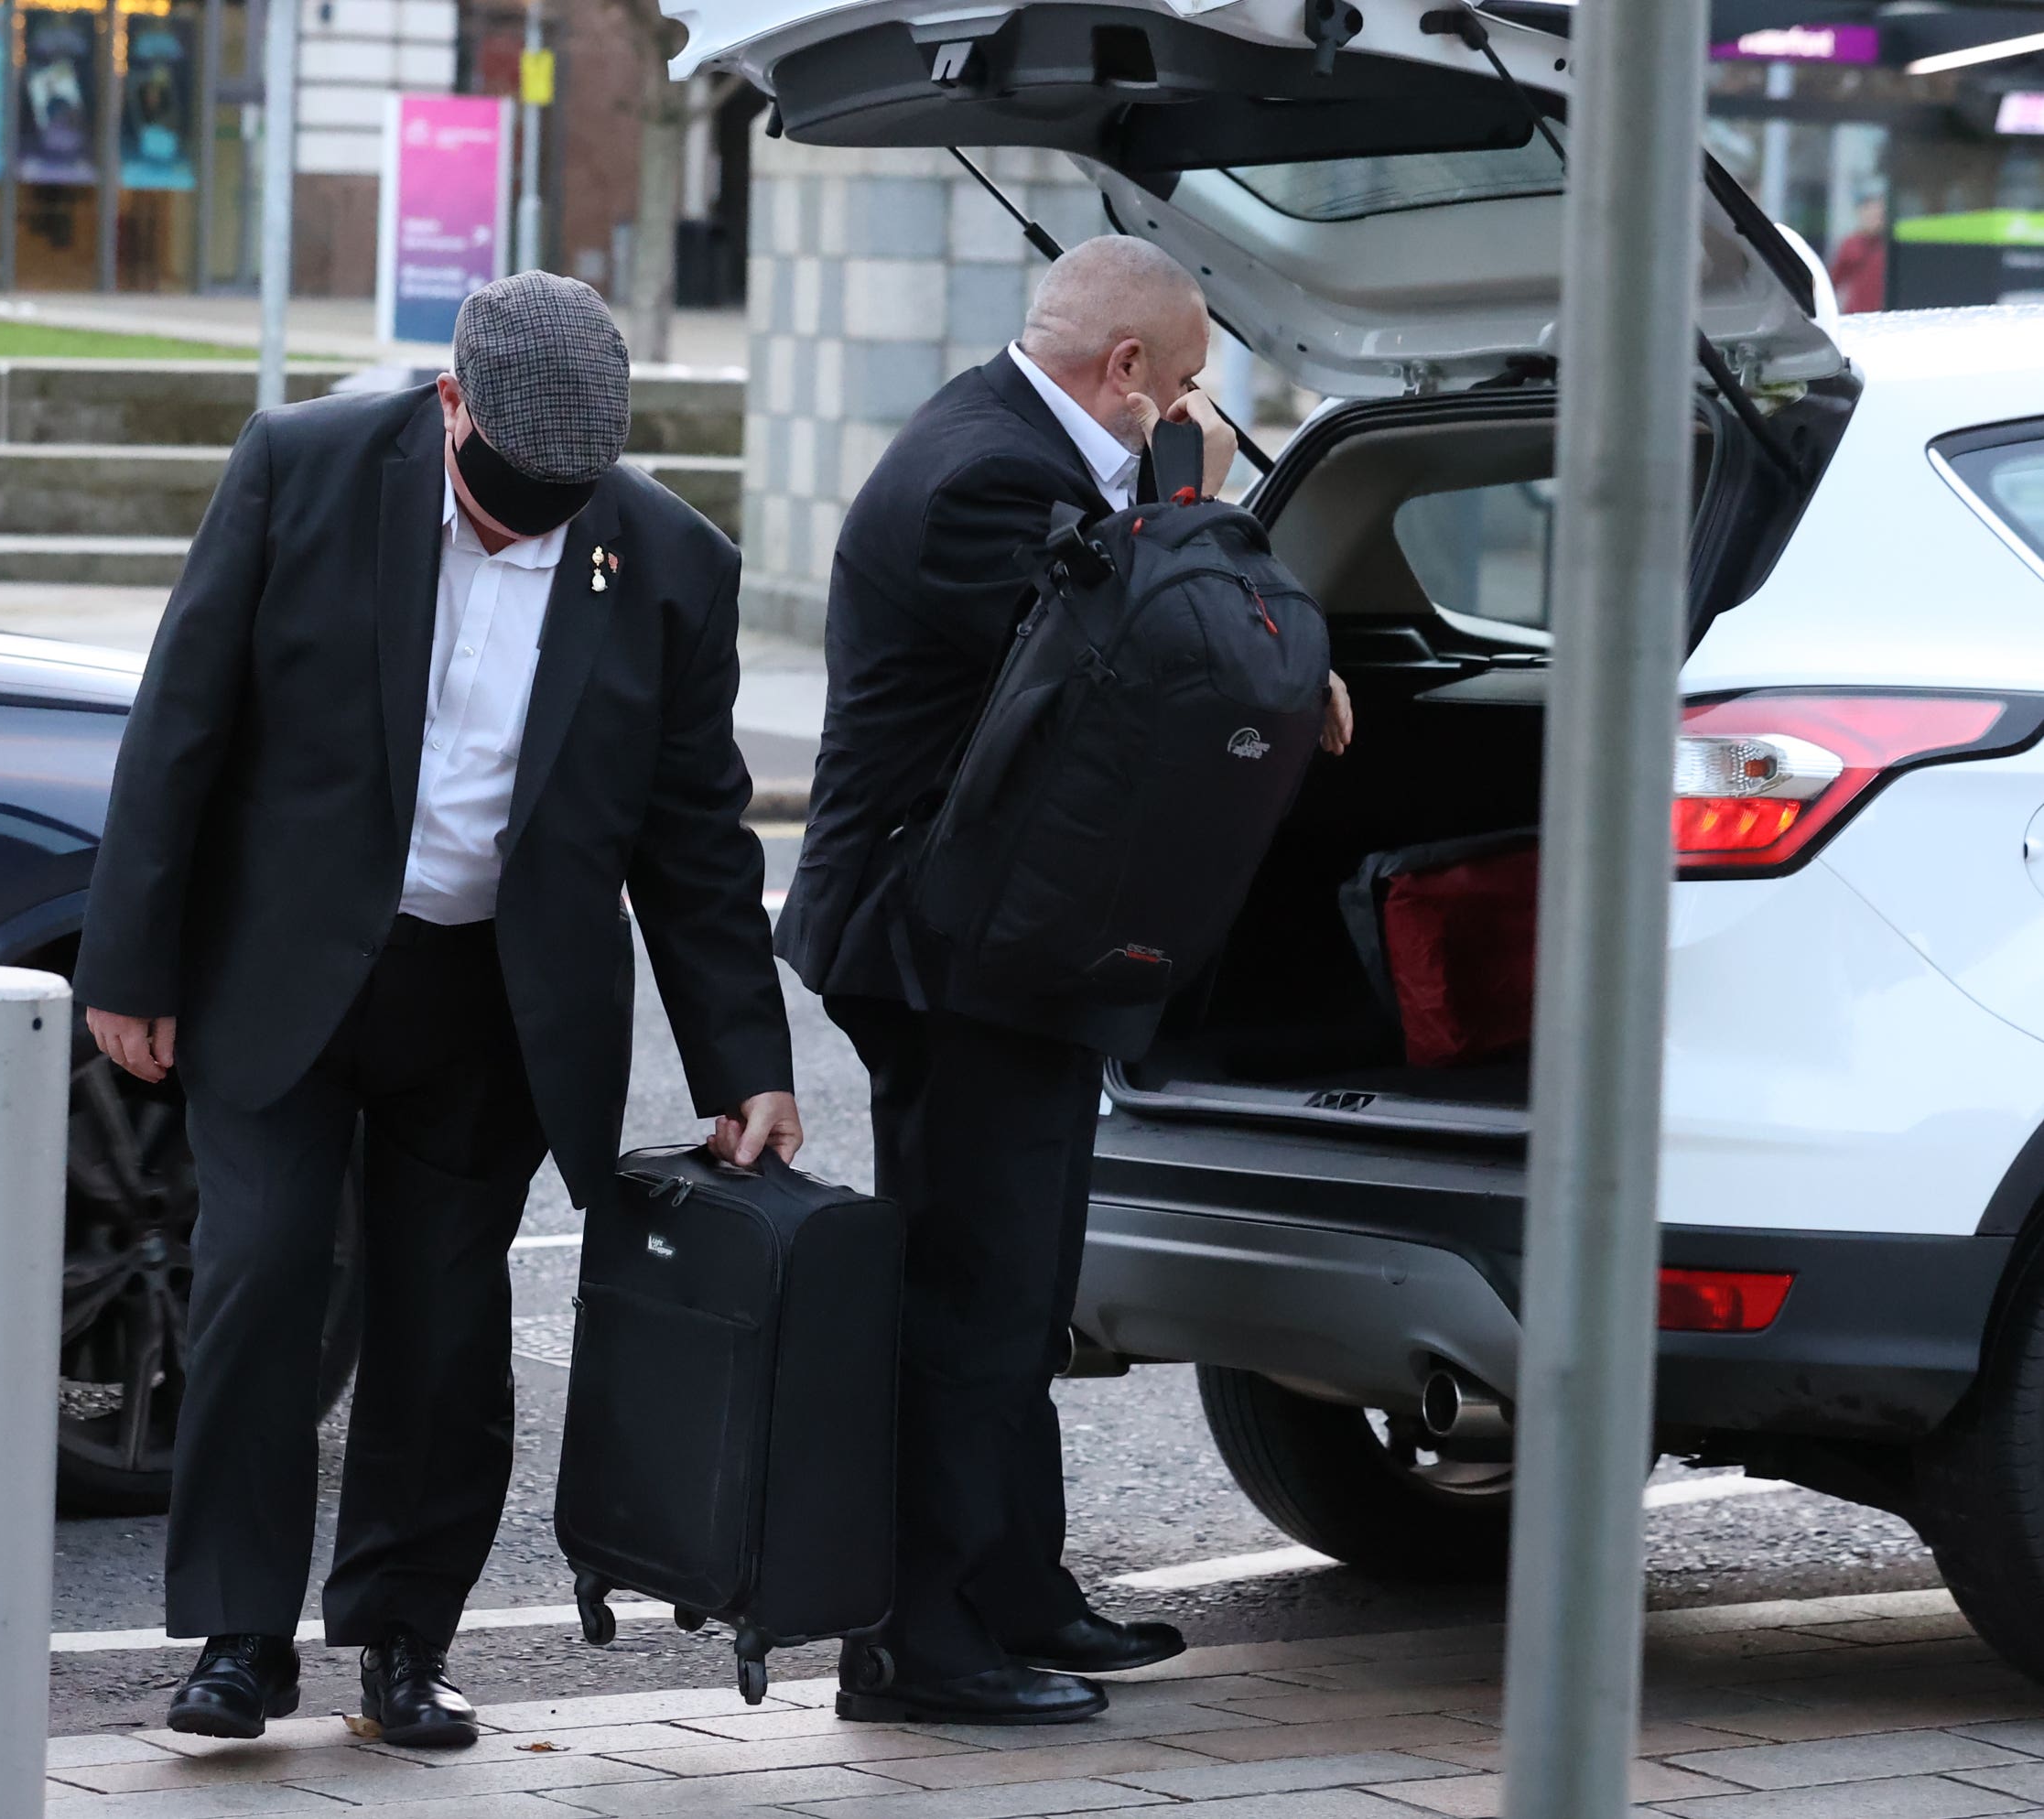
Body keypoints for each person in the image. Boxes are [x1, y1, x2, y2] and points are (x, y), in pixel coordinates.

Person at [76, 272, 802, 1749]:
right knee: (263, 1278)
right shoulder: (301, 469)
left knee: (443, 1334)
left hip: (493, 1002)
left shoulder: (671, 563)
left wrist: (746, 1061)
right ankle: (235, 1639)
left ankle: (405, 1642)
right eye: (495, 495)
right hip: (286, 972)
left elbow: (696, 835)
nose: (513, 528)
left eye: (552, 506)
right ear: (446, 401)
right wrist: (129, 965)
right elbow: (181, 722)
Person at [777, 236, 1354, 1726]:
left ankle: (1015, 1588)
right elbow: (1139, 656)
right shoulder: (981, 476)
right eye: (1183, 387)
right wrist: (1202, 511)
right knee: (965, 1303)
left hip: (1005, 948)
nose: (1191, 409)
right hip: (937, 948)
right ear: (1126, 377)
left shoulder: (1028, 452)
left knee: (1020, 1296)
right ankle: (917, 1640)